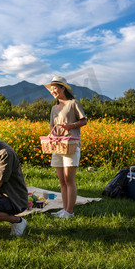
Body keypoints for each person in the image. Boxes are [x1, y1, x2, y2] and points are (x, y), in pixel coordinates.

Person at [45, 76, 87, 218]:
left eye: (55, 88)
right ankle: (64, 210)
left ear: (63, 88)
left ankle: (70, 212)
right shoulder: (53, 108)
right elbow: (52, 125)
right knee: (62, 180)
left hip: (71, 145)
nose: (52, 91)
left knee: (69, 179)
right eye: (51, 89)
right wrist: (52, 135)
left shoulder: (73, 103)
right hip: (57, 146)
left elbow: (84, 120)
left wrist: (71, 125)